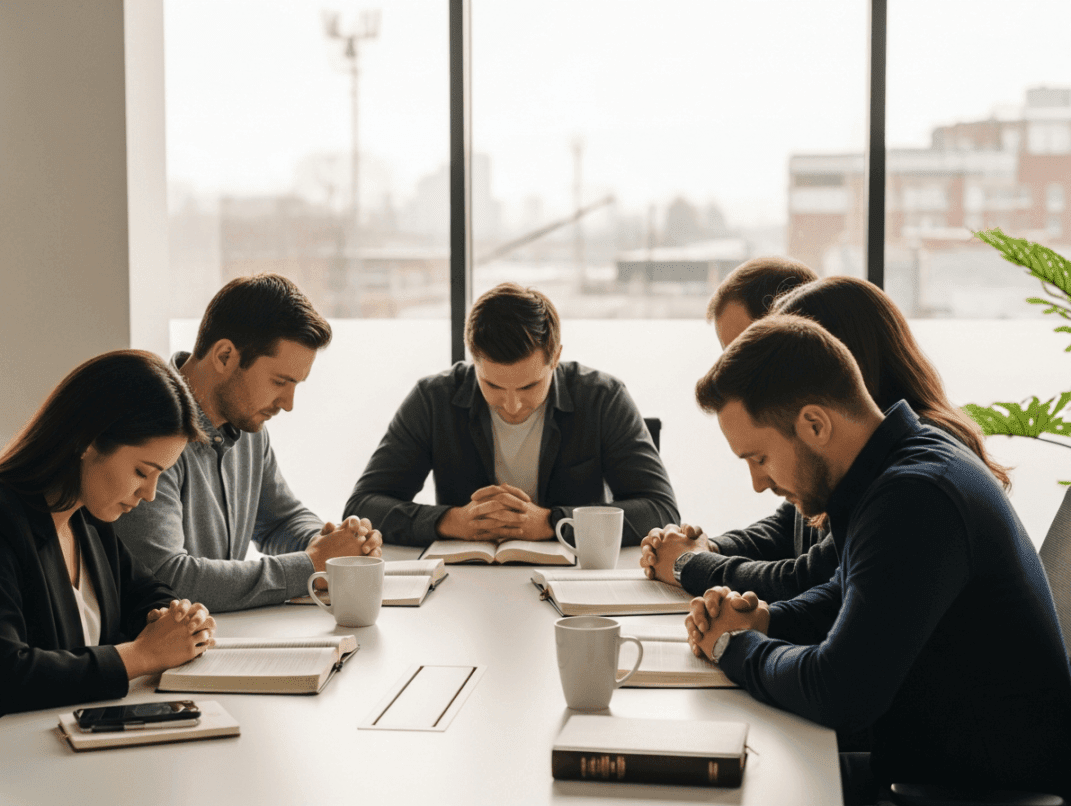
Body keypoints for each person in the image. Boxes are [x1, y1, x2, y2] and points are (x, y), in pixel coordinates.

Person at [685, 315, 1071, 801]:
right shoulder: (901, 466)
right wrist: (764, 619)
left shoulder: (915, 496)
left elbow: (840, 692)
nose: (758, 483)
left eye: (759, 458)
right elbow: (850, 593)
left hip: (967, 791)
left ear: (814, 424)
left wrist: (735, 648)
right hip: (930, 764)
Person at [0, 350, 217, 764]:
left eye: (160, 476)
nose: (149, 494)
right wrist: (144, 655)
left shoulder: (87, 517)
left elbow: (142, 592)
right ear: (88, 443)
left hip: (61, 748)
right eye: (141, 472)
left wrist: (176, 618)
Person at [641, 274, 1011, 601]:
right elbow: (791, 527)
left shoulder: (911, 469)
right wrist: (710, 547)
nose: (742, 371)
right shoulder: (853, 452)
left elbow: (811, 579)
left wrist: (690, 564)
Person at [116, 274, 382, 613]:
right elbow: (167, 577)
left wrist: (330, 544)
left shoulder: (248, 427)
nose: (288, 404)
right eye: (279, 381)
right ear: (225, 356)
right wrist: (311, 564)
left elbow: (278, 520)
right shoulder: (152, 430)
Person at [344, 282, 679, 547]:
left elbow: (661, 511)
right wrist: (452, 521)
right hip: (466, 588)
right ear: (473, 360)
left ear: (556, 357)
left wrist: (552, 523)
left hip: (575, 587)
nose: (512, 405)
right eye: (492, 386)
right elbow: (361, 507)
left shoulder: (603, 398)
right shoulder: (433, 399)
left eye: (530, 387)